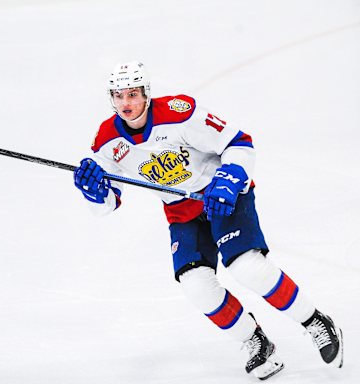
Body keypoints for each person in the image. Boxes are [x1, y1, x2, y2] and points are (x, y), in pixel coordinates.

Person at [73, 61, 343, 380]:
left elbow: (239, 143)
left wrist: (229, 179)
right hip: (182, 211)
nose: (126, 103)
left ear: (146, 94)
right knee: (196, 285)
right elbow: (107, 204)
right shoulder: (106, 141)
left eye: (133, 94)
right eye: (119, 96)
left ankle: (315, 321)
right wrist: (94, 190)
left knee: (246, 267)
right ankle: (254, 340)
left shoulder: (179, 113)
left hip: (222, 197)